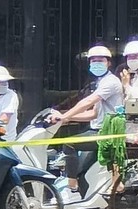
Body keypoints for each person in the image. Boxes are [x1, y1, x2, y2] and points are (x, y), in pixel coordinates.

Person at [48, 45, 123, 196]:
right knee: (80, 171)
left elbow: (87, 102)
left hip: (105, 133)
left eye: (100, 60)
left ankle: (72, 188)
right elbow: (94, 113)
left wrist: (65, 116)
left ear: (108, 63)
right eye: (93, 60)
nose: (96, 63)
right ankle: (83, 201)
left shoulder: (110, 82)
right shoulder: (100, 82)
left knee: (68, 144)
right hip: (96, 130)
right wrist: (65, 119)